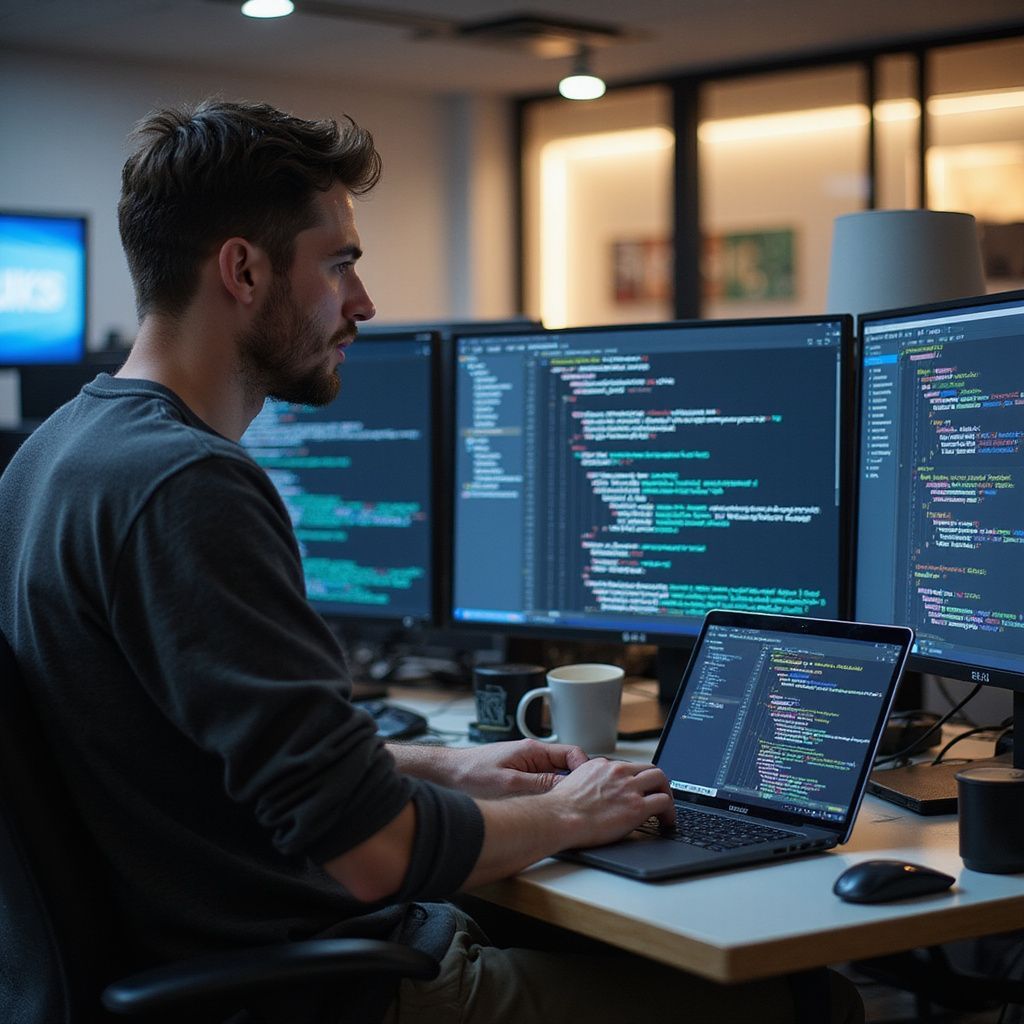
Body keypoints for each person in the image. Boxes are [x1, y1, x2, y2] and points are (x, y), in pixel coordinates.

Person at [0, 99, 863, 1024]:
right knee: (805, 1002)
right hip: (327, 993)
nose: (363, 303)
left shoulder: (54, 453)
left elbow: (183, 758)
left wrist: (452, 771)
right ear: (243, 270)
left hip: (274, 948)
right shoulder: (187, 486)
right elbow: (370, 851)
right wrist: (576, 810)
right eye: (339, 264)